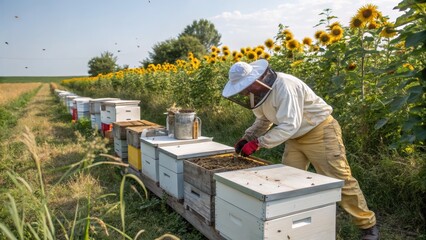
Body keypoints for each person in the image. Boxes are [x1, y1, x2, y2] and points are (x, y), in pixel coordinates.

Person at [222, 59, 379, 240]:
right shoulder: (256, 93)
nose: (245, 91)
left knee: (339, 178)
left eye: (247, 87)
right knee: (288, 179)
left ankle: (368, 226)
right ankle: (295, 224)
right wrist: (247, 137)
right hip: (294, 137)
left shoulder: (285, 86)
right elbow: (264, 120)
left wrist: (258, 143)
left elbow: (289, 124)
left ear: (257, 80)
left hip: (320, 130)